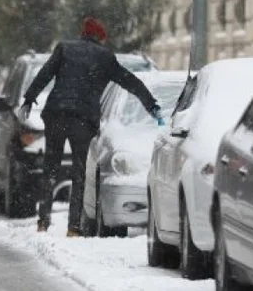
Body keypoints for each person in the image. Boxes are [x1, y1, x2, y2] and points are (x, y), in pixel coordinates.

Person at [21, 17, 162, 236]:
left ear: (83, 33)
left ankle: (43, 222)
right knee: (79, 172)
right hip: (83, 120)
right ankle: (73, 227)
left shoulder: (64, 48)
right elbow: (129, 81)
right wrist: (151, 105)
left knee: (50, 166)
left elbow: (45, 74)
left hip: (56, 113)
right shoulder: (105, 57)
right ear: (100, 37)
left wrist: (29, 99)